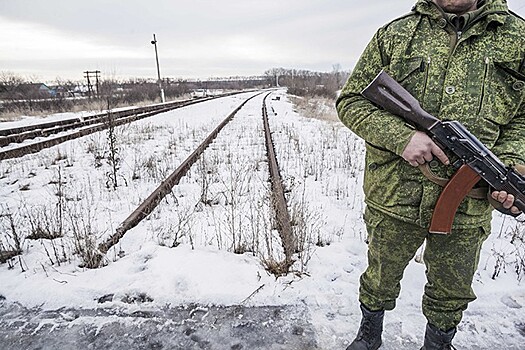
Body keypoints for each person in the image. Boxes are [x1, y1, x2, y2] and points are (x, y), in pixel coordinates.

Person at [336, 0, 525, 349]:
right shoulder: (396, 34)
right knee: (379, 277)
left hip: (468, 206)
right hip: (393, 195)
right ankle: (368, 336)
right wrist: (402, 137)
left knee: (452, 290)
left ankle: (438, 343)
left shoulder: (519, 39)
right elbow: (351, 101)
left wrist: (512, 166)